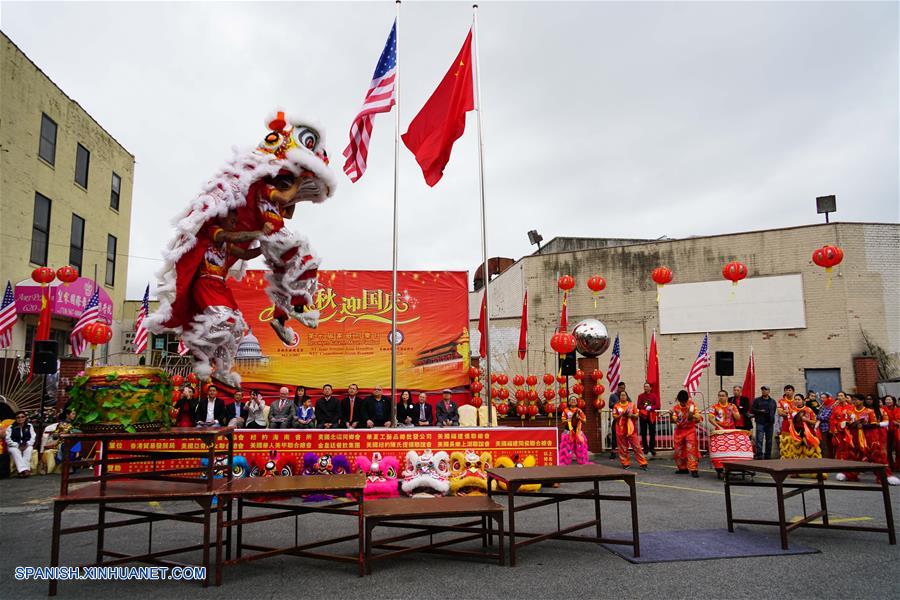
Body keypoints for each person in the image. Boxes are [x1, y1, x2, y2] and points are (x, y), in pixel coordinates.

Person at [836, 394, 899, 485]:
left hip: (869, 436)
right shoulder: (849, 411)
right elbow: (846, 423)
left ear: (862, 401)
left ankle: (885, 476)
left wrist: (863, 425)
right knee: (852, 455)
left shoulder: (869, 411)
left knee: (877, 455)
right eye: (853, 400)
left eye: (856, 400)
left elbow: (874, 424)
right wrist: (848, 424)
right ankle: (849, 474)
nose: (854, 402)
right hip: (854, 436)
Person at [708, 390, 742, 476]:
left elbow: (738, 418)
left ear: (727, 397)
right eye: (719, 395)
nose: (721, 397)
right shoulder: (714, 407)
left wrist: (732, 411)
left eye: (723, 395)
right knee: (720, 449)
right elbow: (710, 419)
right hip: (719, 430)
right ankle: (719, 469)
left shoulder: (732, 406)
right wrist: (719, 427)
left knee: (731, 449)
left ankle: (731, 467)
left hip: (731, 431)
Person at [781, 393, 822, 463]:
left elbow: (815, 422)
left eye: (799, 399)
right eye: (795, 399)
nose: (797, 401)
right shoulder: (792, 410)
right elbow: (790, 422)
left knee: (810, 453)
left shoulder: (808, 410)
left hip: (808, 434)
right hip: (796, 435)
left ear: (803, 400)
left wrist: (806, 420)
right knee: (796, 454)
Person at [612, 390, 647, 470]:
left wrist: (631, 415)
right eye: (621, 395)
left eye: (624, 395)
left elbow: (637, 415)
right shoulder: (616, 406)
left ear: (626, 396)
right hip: (620, 430)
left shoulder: (632, 405)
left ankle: (643, 463)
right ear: (619, 397)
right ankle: (625, 463)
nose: (623, 397)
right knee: (623, 448)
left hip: (631, 430)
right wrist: (621, 415)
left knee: (637, 446)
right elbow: (614, 417)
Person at [670, 390, 701, 477]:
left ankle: (693, 469)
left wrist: (692, 415)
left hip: (690, 430)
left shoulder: (692, 405)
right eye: (681, 402)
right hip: (679, 431)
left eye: (684, 402)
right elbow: (673, 421)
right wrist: (670, 415)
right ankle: (682, 468)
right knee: (678, 451)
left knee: (691, 450)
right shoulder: (676, 408)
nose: (683, 403)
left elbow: (698, 418)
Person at [559, 394, 589, 465]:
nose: (573, 401)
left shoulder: (579, 411)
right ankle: (565, 462)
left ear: (576, 402)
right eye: (571, 400)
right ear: (569, 402)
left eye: (574, 400)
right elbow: (562, 421)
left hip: (578, 432)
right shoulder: (566, 411)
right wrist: (568, 420)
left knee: (580, 448)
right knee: (567, 449)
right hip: (568, 432)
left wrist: (579, 418)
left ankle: (582, 461)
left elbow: (585, 421)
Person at [5, 411, 35, 477]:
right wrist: (17, 445)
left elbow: (33, 436)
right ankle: (24, 470)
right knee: (16, 451)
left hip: (26, 444)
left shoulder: (29, 426)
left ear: (25, 418)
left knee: (29, 449)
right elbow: (8, 439)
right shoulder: (11, 427)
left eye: (22, 417)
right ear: (15, 419)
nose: (20, 418)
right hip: (13, 446)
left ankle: (22, 471)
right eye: (18, 417)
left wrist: (27, 444)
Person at [751, 386, 777, 459]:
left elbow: (774, 411)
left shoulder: (773, 401)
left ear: (769, 391)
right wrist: (760, 411)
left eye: (765, 390)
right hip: (760, 422)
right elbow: (752, 409)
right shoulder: (757, 400)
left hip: (770, 423)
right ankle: (759, 455)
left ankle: (768, 456)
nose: (764, 391)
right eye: (762, 390)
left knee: (769, 440)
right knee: (759, 439)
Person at [637, 382, 659, 456]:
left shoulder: (654, 396)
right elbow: (638, 405)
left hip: (651, 416)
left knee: (652, 432)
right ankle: (645, 448)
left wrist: (651, 407)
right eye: (644, 386)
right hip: (643, 416)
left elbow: (657, 405)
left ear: (650, 388)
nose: (645, 388)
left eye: (647, 386)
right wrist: (645, 407)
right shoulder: (640, 396)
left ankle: (652, 448)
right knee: (643, 432)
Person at [775, 385, 798, 458]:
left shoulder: (797, 401)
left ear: (793, 391)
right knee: (785, 440)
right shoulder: (781, 401)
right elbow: (780, 413)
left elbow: (800, 412)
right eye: (786, 390)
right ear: (784, 392)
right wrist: (790, 414)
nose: (788, 392)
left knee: (795, 441)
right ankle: (785, 456)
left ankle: (795, 456)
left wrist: (789, 413)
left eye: (790, 390)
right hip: (786, 423)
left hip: (796, 424)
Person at [608, 381, 626, 459]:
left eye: (624, 388)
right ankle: (613, 451)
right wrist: (617, 403)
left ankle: (623, 451)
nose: (622, 389)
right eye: (621, 388)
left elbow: (630, 404)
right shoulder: (613, 396)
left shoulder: (626, 395)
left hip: (624, 420)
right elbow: (610, 405)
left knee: (624, 436)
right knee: (614, 435)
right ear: (618, 388)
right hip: (616, 419)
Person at [817, 393, 835, 458]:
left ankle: (826, 458)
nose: (822, 399)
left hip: (825, 428)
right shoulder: (823, 406)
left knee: (824, 444)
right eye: (821, 398)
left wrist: (817, 417)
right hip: (820, 428)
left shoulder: (830, 407)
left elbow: (826, 417)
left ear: (828, 398)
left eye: (823, 398)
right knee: (822, 444)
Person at [884, 395, 898, 470]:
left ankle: (898, 465)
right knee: (888, 449)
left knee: (897, 449)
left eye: (889, 399)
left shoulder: (898, 409)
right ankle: (890, 465)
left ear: (893, 401)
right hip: (886, 432)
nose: (888, 401)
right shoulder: (882, 409)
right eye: (886, 400)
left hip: (896, 431)